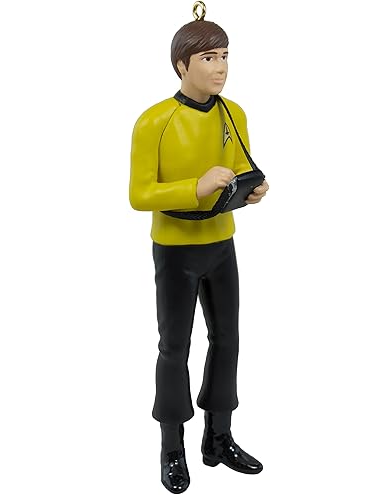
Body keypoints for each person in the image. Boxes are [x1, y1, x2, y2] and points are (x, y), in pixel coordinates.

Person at [129, 9, 269, 493]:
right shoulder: (154, 121)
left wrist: (251, 189)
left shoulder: (234, 114)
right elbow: (139, 194)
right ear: (181, 65)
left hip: (222, 243)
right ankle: (172, 446)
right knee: (175, 348)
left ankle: (219, 437)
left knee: (227, 340)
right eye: (208, 57)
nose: (221, 66)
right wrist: (195, 186)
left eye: (225, 55)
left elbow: (237, 169)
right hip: (175, 250)